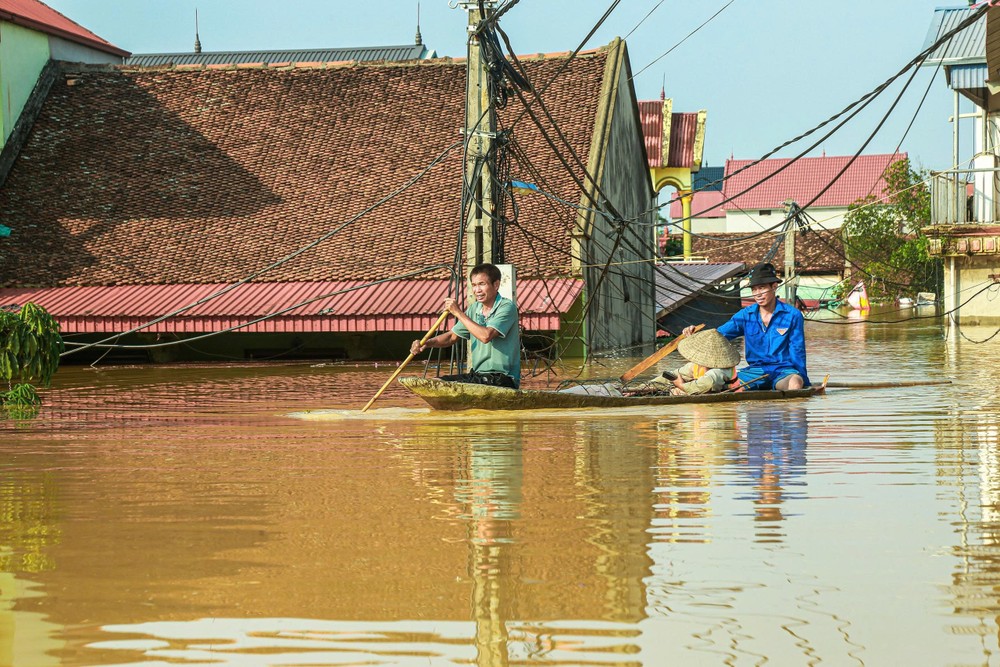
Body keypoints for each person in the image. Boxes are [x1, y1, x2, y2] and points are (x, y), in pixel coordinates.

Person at [684, 262, 809, 390]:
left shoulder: (793, 315)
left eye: (762, 288)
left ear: (774, 286)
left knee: (795, 384)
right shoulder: (745, 315)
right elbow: (718, 336)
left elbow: (798, 351)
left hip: (784, 372)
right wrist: (696, 335)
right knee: (729, 388)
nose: (758, 294)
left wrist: (806, 384)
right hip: (754, 372)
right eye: (754, 289)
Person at [411, 263, 521, 389]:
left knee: (449, 386)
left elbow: (486, 336)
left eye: (482, 284)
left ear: (496, 285)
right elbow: (452, 336)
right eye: (474, 285)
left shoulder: (507, 307)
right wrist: (426, 343)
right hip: (479, 375)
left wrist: (458, 312)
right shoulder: (474, 309)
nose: (477, 290)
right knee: (436, 382)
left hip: (503, 378)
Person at [650, 328, 740, 395]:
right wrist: (642, 388)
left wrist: (681, 385)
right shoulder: (694, 366)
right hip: (701, 415)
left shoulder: (719, 372)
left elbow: (705, 385)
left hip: (718, 412)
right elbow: (674, 375)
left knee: (677, 392)